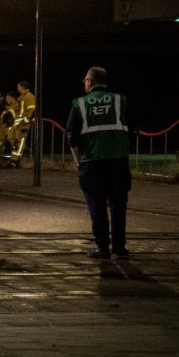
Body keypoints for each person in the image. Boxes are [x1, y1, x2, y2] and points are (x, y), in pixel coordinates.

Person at [66, 66, 132, 259]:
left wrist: (79, 161)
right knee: (118, 205)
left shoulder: (79, 104)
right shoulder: (120, 100)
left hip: (91, 163)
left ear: (89, 81)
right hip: (118, 161)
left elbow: (71, 136)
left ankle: (102, 247)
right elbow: (131, 128)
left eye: (85, 80)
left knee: (97, 205)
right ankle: (119, 247)